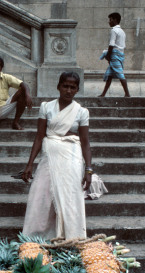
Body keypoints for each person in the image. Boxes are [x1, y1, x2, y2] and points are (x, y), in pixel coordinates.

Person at [21, 72, 92, 240]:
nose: (68, 90)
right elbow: (39, 136)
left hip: (72, 155)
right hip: (50, 152)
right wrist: (29, 164)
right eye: (65, 86)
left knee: (70, 193)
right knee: (42, 193)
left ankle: (71, 236)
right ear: (58, 86)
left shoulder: (82, 112)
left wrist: (88, 169)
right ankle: (37, 236)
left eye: (72, 87)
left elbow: (85, 142)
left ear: (77, 90)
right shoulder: (46, 107)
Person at [98, 12, 131, 97]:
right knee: (110, 75)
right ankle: (103, 94)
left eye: (110, 19)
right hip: (120, 54)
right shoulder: (122, 31)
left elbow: (111, 44)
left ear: (115, 20)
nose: (109, 22)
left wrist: (108, 55)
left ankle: (127, 94)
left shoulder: (114, 30)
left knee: (120, 74)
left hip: (115, 55)